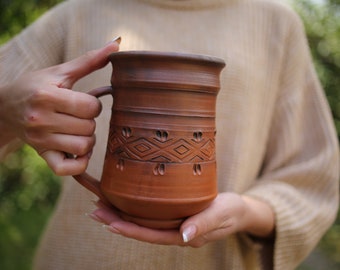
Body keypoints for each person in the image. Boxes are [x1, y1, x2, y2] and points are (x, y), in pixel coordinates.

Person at [0, 0, 339, 269]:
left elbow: (313, 178)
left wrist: (246, 211)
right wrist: (7, 109)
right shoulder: (78, 12)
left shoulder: (276, 23)